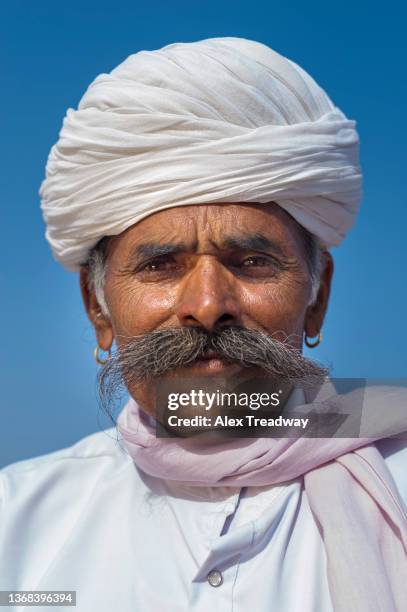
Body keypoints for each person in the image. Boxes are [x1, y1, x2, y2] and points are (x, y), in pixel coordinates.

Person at [1, 37, 406, 612]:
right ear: (98, 307)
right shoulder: (17, 527)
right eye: (160, 265)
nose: (209, 304)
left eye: (252, 262)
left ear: (318, 298)